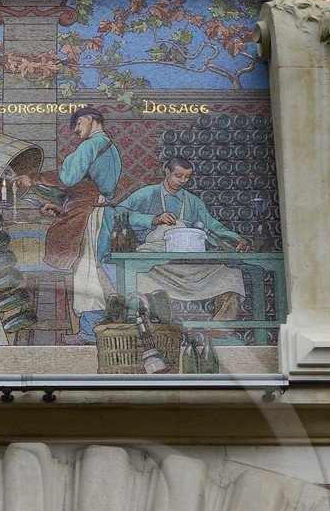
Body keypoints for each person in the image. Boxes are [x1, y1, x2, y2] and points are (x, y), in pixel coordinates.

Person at [17, 107, 122, 341]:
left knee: (88, 272)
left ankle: (91, 332)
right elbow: (83, 186)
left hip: (89, 215)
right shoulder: (108, 147)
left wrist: (34, 178)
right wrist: (61, 208)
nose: (76, 131)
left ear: (88, 119)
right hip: (96, 210)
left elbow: (68, 178)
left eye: (77, 125)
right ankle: (93, 329)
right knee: (91, 269)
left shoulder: (91, 145)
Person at [118, 157, 252, 322]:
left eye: (187, 177)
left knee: (230, 275)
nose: (182, 181)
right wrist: (154, 219)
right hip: (155, 262)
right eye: (178, 175)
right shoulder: (147, 194)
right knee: (138, 276)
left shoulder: (193, 202)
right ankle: (154, 328)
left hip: (188, 263)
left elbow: (213, 228)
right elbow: (117, 214)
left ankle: (221, 331)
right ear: (167, 172)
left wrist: (237, 239)